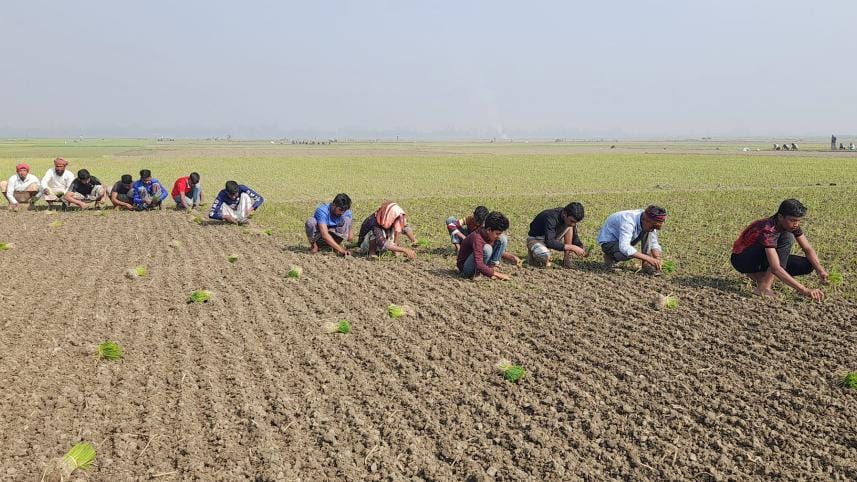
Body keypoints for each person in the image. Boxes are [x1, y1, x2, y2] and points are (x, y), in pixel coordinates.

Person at [731, 199, 827, 301]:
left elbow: (807, 249)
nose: (796, 224)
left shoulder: (791, 225)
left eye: (798, 221)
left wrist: (820, 271)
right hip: (743, 259)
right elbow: (775, 268)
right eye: (793, 220)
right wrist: (804, 290)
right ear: (781, 217)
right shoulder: (768, 229)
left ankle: (759, 276)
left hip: (764, 257)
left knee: (808, 265)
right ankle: (764, 287)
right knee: (787, 237)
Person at [597, 205, 666, 274]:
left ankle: (646, 265)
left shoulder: (649, 219)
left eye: (655, 228)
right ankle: (610, 257)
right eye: (653, 227)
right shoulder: (628, 220)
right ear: (644, 219)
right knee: (626, 254)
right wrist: (649, 258)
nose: (653, 230)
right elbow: (624, 247)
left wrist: (657, 257)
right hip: (609, 243)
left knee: (648, 232)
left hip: (623, 240)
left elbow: (653, 242)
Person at [457, 211, 515, 281]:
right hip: (466, 269)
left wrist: (511, 257)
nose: (498, 236)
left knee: (503, 239)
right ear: (489, 230)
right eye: (497, 233)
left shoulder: (488, 233)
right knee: (487, 249)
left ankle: (491, 267)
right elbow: (479, 264)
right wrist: (499, 275)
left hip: (479, 262)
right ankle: (477, 273)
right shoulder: (477, 237)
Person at [527, 202, 588, 268]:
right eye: (572, 221)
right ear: (564, 214)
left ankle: (567, 259)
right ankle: (533, 256)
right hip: (536, 239)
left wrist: (580, 246)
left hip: (550, 237)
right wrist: (572, 247)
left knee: (569, 226)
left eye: (575, 222)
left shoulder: (567, 217)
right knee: (544, 255)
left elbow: (574, 237)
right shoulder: (551, 217)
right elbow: (549, 242)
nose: (573, 224)